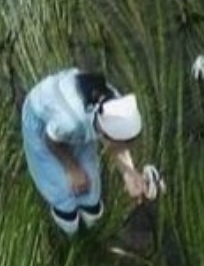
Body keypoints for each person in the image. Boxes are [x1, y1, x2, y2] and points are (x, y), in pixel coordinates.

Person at [21, 69, 148, 236]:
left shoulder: (115, 103)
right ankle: (69, 232)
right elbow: (50, 140)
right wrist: (72, 168)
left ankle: (90, 225)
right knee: (63, 194)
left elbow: (118, 145)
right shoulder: (72, 122)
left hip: (73, 123)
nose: (123, 148)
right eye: (121, 143)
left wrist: (128, 172)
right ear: (104, 135)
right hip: (42, 123)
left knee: (90, 194)